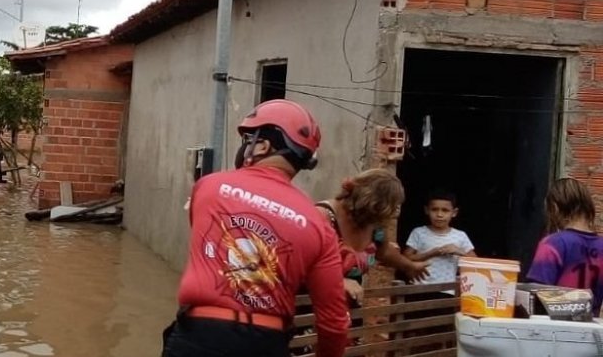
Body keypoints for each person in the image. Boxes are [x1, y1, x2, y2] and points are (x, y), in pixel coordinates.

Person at [162, 99, 348, 357]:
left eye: (249, 139)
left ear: (263, 145)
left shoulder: (209, 186)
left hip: (198, 339)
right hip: (266, 344)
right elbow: (334, 323)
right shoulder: (319, 225)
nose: (246, 146)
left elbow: (205, 239)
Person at [315, 169, 428, 306]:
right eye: (392, 206)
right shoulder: (322, 217)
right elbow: (297, 264)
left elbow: (384, 252)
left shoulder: (372, 223)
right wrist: (338, 281)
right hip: (309, 307)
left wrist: (410, 266)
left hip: (346, 308)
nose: (396, 211)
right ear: (374, 204)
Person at [526, 177, 603, 315]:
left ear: (554, 208)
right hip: (591, 329)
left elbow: (535, 295)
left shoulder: (552, 244)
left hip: (555, 330)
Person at [403, 189, 475, 292]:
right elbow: (405, 259)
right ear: (427, 210)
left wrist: (458, 251)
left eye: (445, 210)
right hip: (419, 288)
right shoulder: (419, 232)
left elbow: (476, 262)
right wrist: (432, 253)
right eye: (434, 209)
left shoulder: (460, 236)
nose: (439, 215)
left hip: (447, 291)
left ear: (454, 213)